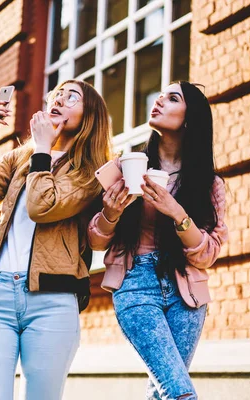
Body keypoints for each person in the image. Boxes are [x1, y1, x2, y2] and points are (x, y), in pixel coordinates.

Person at [0, 80, 111, 400]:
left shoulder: (90, 172)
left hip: (52, 299)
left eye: (72, 97)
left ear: (89, 115)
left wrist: (43, 148)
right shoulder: (18, 158)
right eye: (57, 94)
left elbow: (43, 206)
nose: (59, 99)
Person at [87, 81, 228, 400]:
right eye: (159, 94)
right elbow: (95, 241)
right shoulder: (126, 168)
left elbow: (208, 255)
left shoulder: (209, 184)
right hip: (135, 283)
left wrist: (177, 212)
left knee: (161, 390)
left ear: (190, 119)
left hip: (187, 292)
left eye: (172, 98)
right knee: (178, 391)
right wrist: (110, 212)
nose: (159, 99)